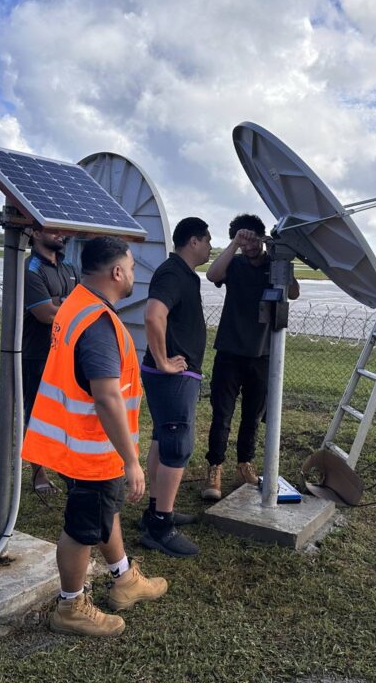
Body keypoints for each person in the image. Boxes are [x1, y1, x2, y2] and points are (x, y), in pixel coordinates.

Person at [21, 236, 168, 637]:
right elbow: (105, 397)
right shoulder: (98, 323)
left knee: (105, 511)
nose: (135, 274)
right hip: (91, 446)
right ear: (116, 272)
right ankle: (70, 607)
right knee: (81, 527)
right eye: (133, 267)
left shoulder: (76, 303)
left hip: (81, 442)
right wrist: (133, 460)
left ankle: (123, 580)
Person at [201, 214, 299, 500]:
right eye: (245, 240)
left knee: (252, 416)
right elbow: (212, 275)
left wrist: (279, 258)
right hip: (230, 351)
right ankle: (214, 467)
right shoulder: (235, 264)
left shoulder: (273, 265)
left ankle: (244, 464)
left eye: (254, 237)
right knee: (222, 414)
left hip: (262, 355)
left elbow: (292, 291)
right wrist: (234, 245)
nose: (250, 245)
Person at [138, 217, 212, 558]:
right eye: (208, 241)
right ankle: (160, 528)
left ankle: (155, 511)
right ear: (194, 241)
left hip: (175, 375)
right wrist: (164, 360)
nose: (211, 247)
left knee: (162, 439)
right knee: (177, 444)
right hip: (172, 376)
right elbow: (154, 315)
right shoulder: (173, 272)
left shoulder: (183, 274)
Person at [22, 226, 80, 498]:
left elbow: (81, 302)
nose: (61, 234)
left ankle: (68, 466)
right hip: (38, 352)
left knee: (66, 411)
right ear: (34, 233)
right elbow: (45, 313)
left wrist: (61, 302)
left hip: (64, 351)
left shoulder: (67, 266)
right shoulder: (31, 268)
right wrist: (65, 304)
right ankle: (38, 473)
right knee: (38, 414)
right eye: (53, 230)